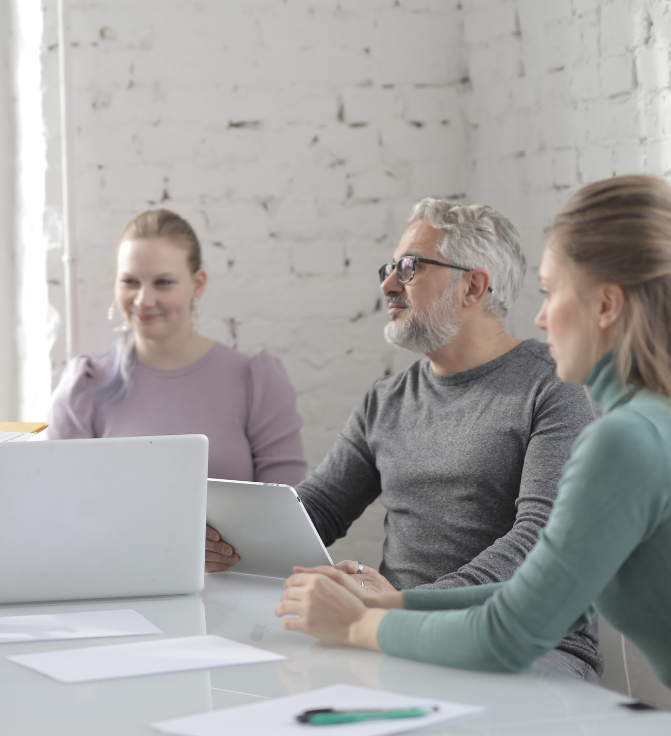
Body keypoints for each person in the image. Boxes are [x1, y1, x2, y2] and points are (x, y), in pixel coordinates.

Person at [275, 176, 671, 688]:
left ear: (606, 305)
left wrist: (358, 622)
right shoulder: (646, 425)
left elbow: (511, 631)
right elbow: (536, 592)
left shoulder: (620, 439)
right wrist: (389, 602)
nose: (540, 317)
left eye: (550, 293)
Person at [207, 198, 601, 680]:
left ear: (473, 286)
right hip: (392, 630)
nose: (388, 284)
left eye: (410, 268)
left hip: (530, 641)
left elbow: (537, 541)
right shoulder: (387, 399)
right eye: (390, 268)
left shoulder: (552, 387)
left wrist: (396, 605)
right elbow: (319, 507)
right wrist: (227, 540)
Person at [48, 209, 306, 484]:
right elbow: (60, 502)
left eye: (163, 283)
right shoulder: (84, 386)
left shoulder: (256, 381)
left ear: (197, 284)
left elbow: (284, 508)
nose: (144, 300)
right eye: (130, 282)